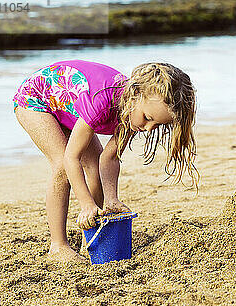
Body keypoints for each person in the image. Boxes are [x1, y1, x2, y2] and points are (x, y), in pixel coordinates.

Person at [13, 60, 199, 263]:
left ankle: (91, 235)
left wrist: (111, 199)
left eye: (156, 125)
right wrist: (86, 204)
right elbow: (71, 158)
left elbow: (109, 157)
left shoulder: (132, 114)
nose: (147, 128)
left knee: (93, 164)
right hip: (36, 100)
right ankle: (58, 246)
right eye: (147, 118)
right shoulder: (101, 102)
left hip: (68, 107)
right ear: (136, 94)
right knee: (62, 166)